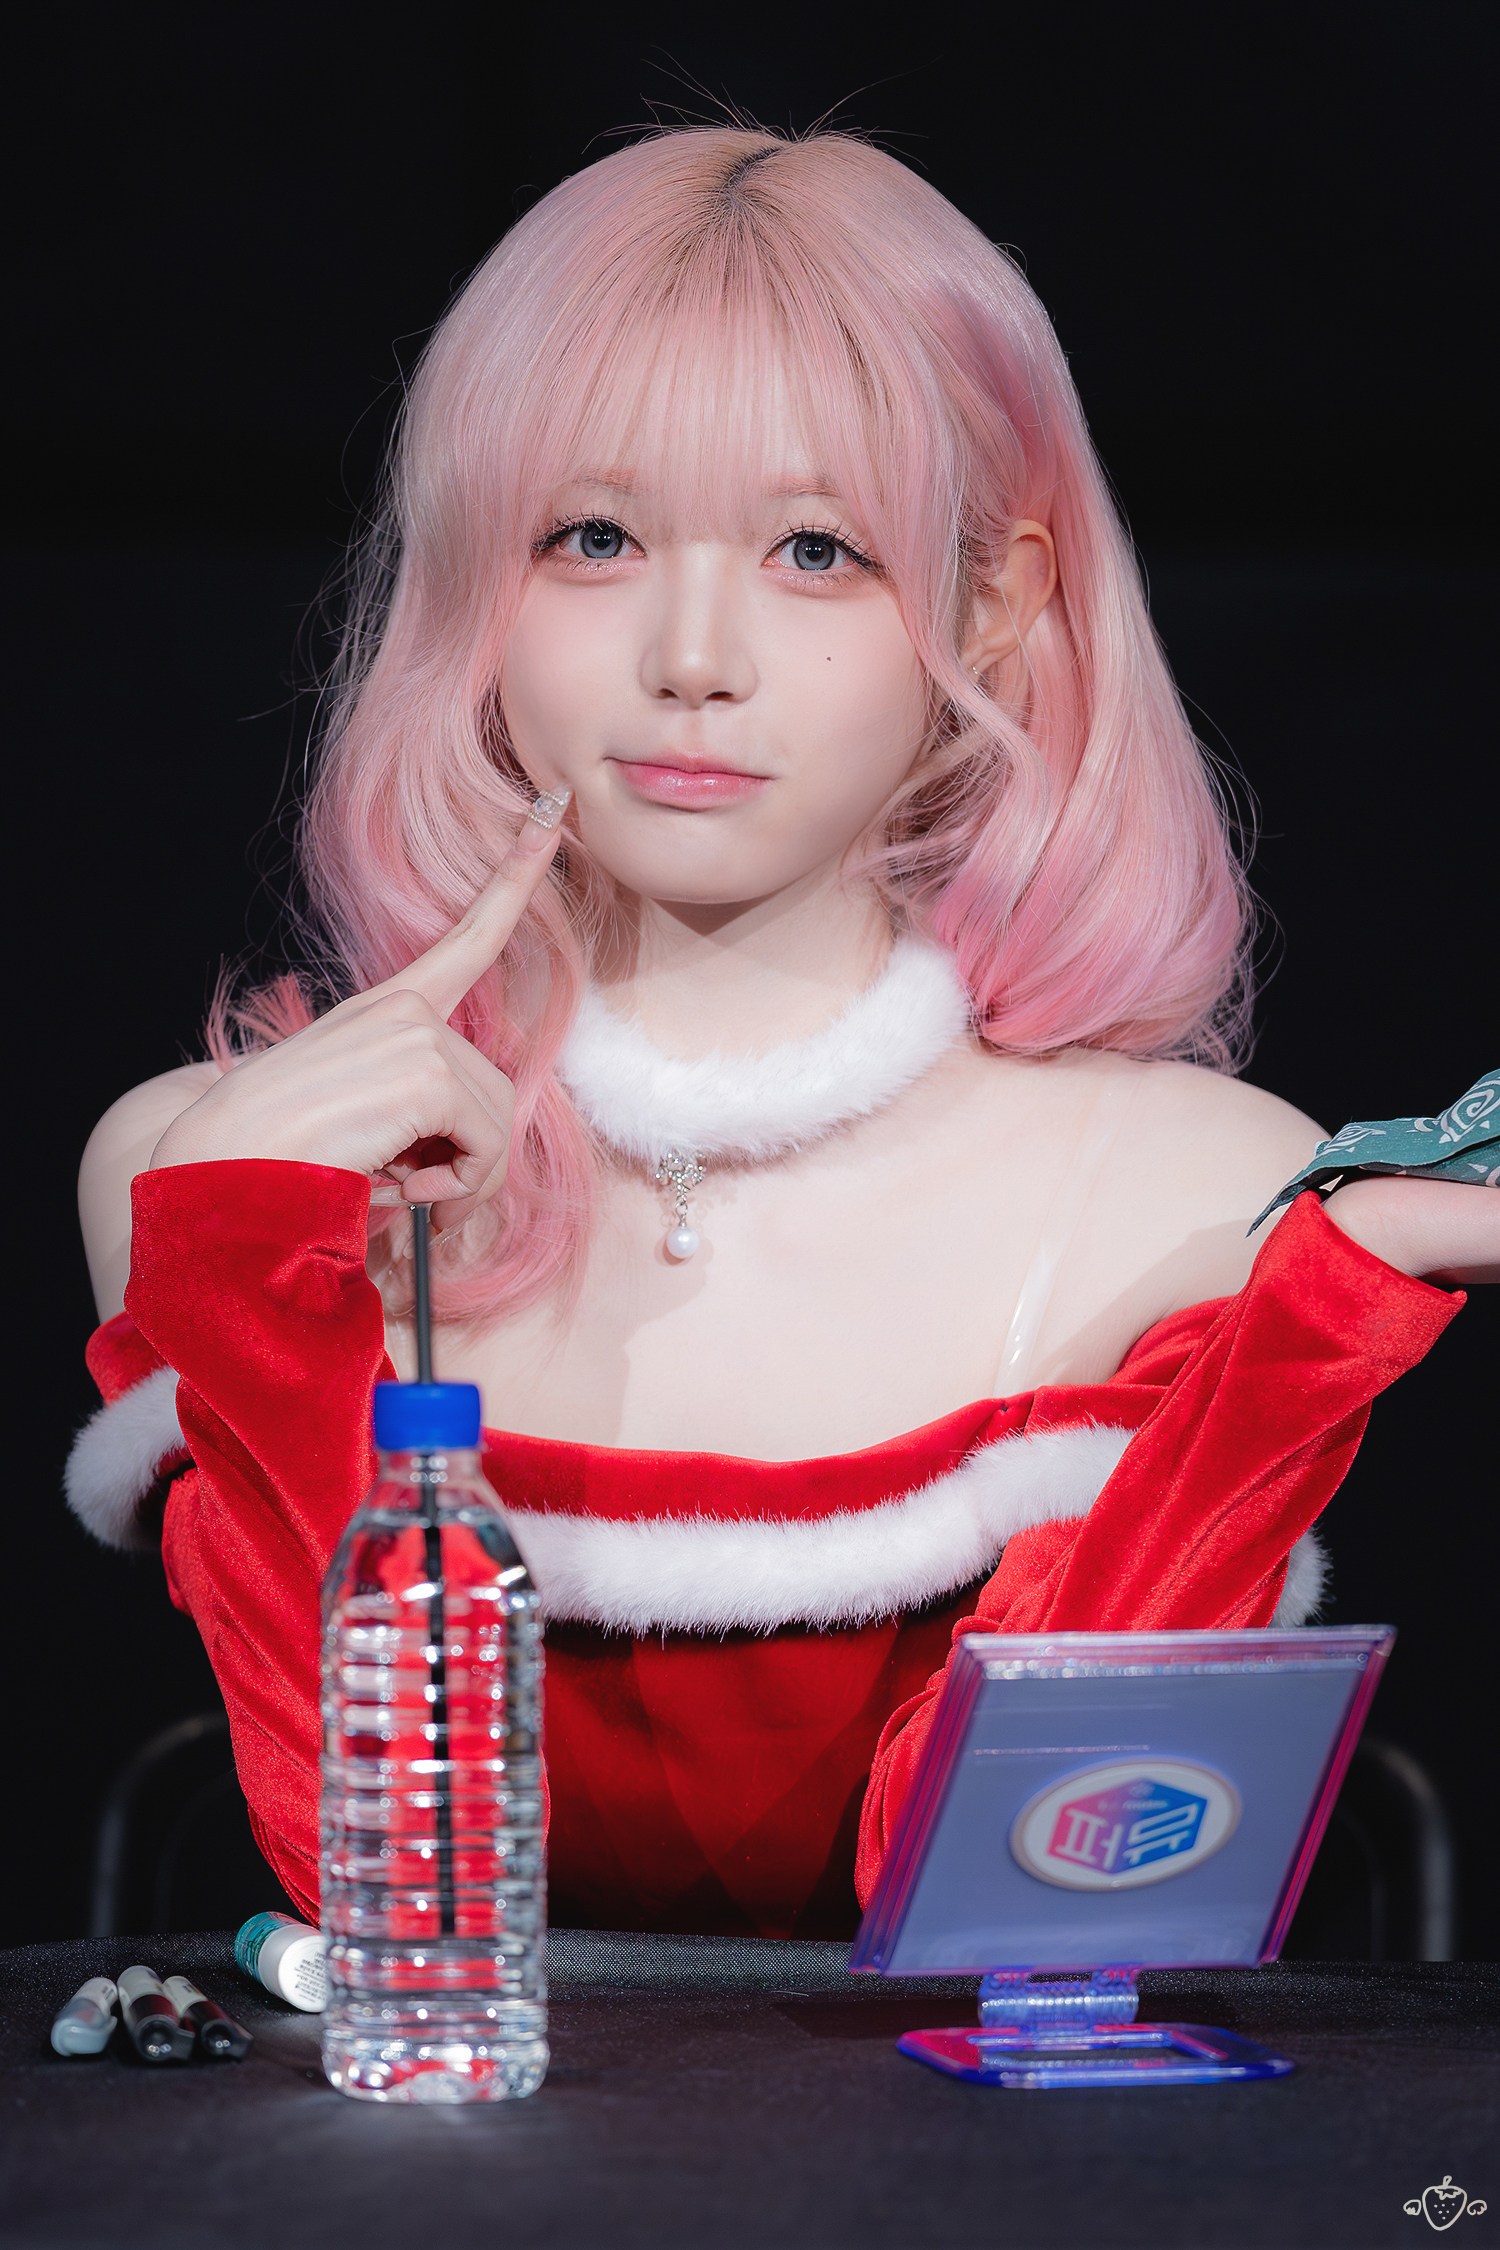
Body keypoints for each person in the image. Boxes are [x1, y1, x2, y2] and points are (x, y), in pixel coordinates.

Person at [69, 128, 1496, 1938]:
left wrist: (1326, 1307)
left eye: (816, 549)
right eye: (592, 537)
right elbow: (388, 1878)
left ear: (995, 600)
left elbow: (1021, 1905)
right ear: (474, 581)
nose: (693, 656)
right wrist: (246, 1250)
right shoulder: (209, 1167)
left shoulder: (1199, 1192)